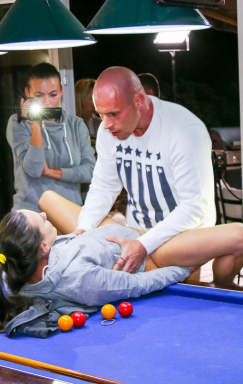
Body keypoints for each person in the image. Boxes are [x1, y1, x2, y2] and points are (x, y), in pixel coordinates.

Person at [0, 208, 243, 334]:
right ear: (44, 248)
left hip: (104, 235)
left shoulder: (15, 270)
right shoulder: (80, 281)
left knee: (48, 196)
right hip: (148, 255)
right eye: (43, 221)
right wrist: (181, 270)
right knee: (241, 237)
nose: (46, 216)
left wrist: (81, 234)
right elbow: (137, 285)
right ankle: (225, 289)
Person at [71, 66, 219, 276]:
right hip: (138, 238)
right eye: (101, 115)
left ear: (139, 101)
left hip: (185, 242)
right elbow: (105, 185)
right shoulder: (110, 129)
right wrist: (84, 229)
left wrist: (143, 245)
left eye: (113, 114)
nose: (106, 125)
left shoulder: (184, 131)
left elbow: (195, 207)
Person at [7, 63, 96, 213]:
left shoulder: (76, 124)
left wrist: (51, 172)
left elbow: (90, 171)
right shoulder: (18, 123)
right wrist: (36, 125)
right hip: (32, 215)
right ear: (27, 93)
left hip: (70, 212)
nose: (47, 102)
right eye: (39, 95)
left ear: (61, 91)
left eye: (53, 94)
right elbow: (34, 170)